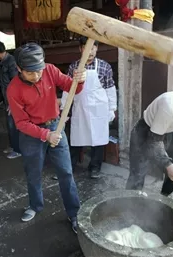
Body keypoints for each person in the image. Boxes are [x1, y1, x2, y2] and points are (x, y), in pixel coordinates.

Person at [6, 43, 86, 233]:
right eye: (31, 73)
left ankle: (74, 213)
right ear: (19, 69)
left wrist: (79, 80)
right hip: (31, 134)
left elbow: (72, 87)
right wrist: (45, 135)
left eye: (39, 70)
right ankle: (35, 205)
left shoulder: (49, 70)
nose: (37, 76)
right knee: (33, 173)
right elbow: (21, 123)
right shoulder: (13, 89)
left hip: (55, 126)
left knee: (66, 172)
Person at [60, 36, 117, 179]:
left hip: (99, 109)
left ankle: (95, 168)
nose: (90, 51)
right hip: (80, 107)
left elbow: (110, 89)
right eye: (86, 48)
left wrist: (112, 109)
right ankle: (70, 166)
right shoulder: (75, 67)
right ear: (81, 49)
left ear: (97, 48)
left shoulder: (105, 67)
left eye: (93, 47)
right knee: (76, 137)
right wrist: (64, 108)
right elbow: (68, 89)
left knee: (98, 140)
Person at [0, 39, 21, 159]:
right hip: (6, 98)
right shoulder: (2, 62)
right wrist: (0, 96)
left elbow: (15, 83)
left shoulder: (11, 62)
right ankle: (13, 146)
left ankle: (18, 150)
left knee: (13, 124)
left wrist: (13, 102)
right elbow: (3, 82)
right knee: (9, 124)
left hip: (13, 100)